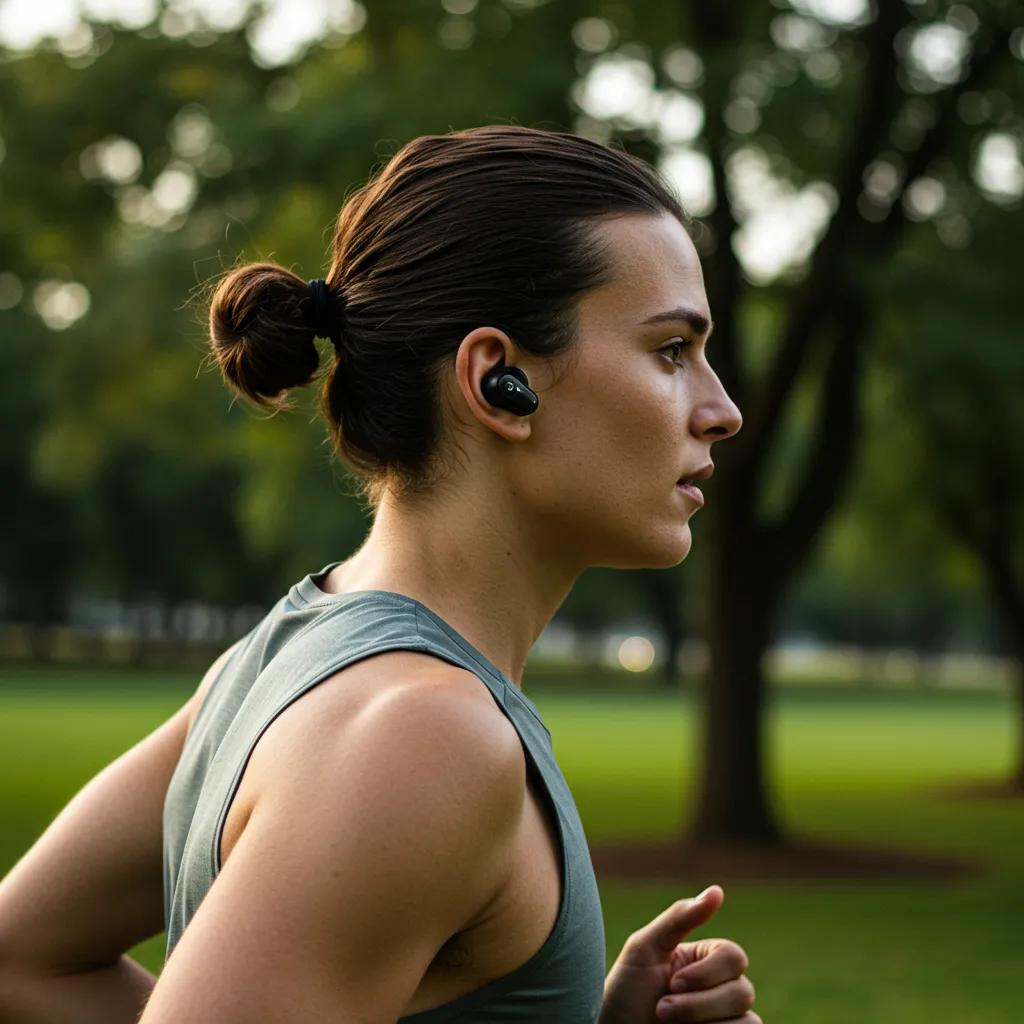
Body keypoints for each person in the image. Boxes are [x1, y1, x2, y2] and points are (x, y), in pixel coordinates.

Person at [0, 124, 756, 1024]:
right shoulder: (423, 737)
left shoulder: (280, 657)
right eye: (671, 350)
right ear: (498, 380)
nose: (723, 411)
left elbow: (26, 962)